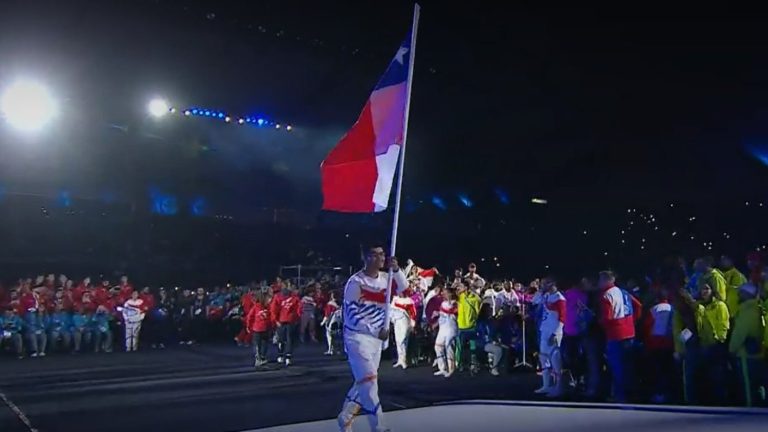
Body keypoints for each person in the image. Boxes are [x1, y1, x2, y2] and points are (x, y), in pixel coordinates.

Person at [337, 245, 406, 432]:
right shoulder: (355, 282)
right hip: (357, 338)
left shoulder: (386, 278)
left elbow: (405, 290)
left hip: (376, 341)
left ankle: (346, 417)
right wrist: (374, 331)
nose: (380, 258)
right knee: (369, 383)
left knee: (365, 382)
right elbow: (351, 314)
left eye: (382, 254)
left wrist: (397, 270)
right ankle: (379, 426)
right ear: (365, 257)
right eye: (374, 255)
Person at [598, 270, 642, 403]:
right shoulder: (624, 292)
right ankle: (632, 393)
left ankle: (620, 395)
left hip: (615, 334)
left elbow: (607, 317)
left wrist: (601, 324)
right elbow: (638, 306)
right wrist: (632, 321)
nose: (599, 283)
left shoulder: (606, 295)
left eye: (601, 280)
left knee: (617, 366)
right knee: (629, 365)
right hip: (630, 332)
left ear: (607, 280)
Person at [728, 283, 766, 407]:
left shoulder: (748, 310)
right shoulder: (757, 308)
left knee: (748, 386)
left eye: (741, 292)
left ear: (747, 294)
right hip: (758, 354)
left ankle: (750, 409)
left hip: (746, 355)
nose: (739, 294)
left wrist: (731, 348)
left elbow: (740, 333)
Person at [533, 276, 566, 397]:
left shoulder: (559, 298)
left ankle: (559, 387)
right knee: (544, 358)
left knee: (555, 360)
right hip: (544, 330)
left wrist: (555, 333)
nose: (543, 285)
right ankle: (546, 385)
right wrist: (540, 292)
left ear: (552, 284)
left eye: (545, 283)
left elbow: (563, 318)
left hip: (554, 332)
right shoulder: (546, 296)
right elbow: (534, 301)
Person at [698, 282, 730, 405]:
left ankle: (721, 401)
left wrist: (719, 340)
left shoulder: (720, 305)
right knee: (707, 375)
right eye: (702, 289)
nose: (704, 292)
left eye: (707, 289)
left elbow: (723, 324)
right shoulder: (700, 307)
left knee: (718, 375)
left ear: (713, 290)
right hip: (704, 345)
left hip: (717, 345)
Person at [642, 287, 674, 403]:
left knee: (657, 371)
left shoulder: (654, 309)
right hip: (669, 342)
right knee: (668, 370)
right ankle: (669, 394)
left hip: (655, 342)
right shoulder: (672, 308)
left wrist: (647, 342)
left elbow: (647, 326)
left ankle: (659, 394)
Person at [270, 283, 301, 366]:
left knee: (284, 339)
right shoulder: (293, 298)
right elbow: (299, 310)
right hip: (285, 321)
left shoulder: (293, 298)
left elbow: (273, 309)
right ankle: (285, 356)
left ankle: (283, 356)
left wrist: (275, 320)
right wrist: (276, 320)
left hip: (285, 321)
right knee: (286, 339)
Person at [456, 281, 482, 373]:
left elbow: (478, 311)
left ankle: (473, 364)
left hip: (471, 327)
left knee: (473, 348)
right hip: (461, 327)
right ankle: (459, 364)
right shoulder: (459, 297)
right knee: (460, 347)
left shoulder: (475, 298)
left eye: (460, 286)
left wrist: (474, 320)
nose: (458, 288)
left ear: (466, 287)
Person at [434, 287, 459, 377]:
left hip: (451, 329)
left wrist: (449, 302)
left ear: (450, 294)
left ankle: (451, 369)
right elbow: (442, 315)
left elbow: (452, 311)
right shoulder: (443, 303)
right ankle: (442, 368)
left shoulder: (456, 303)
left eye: (445, 293)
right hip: (442, 329)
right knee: (438, 347)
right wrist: (436, 323)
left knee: (449, 348)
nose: (443, 294)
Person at [390, 290, 417, 369]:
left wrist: (413, 324)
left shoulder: (409, 301)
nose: (399, 293)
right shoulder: (395, 299)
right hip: (397, 321)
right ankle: (400, 359)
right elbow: (391, 310)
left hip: (404, 321)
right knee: (397, 340)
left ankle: (404, 360)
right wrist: (392, 319)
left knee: (403, 340)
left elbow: (413, 313)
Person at [245, 290, 272, 367]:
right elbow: (250, 317)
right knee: (258, 344)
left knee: (264, 344)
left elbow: (271, 317)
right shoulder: (256, 307)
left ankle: (262, 358)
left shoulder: (268, 307)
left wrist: (272, 326)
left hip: (265, 328)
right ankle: (258, 358)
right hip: (257, 329)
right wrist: (248, 326)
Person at [476, 303, 503, 376]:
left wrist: (497, 339)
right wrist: (492, 341)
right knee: (498, 350)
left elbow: (494, 333)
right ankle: (494, 369)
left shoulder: (491, 321)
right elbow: (482, 335)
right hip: (483, 343)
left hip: (491, 341)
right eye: (489, 310)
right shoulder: (481, 322)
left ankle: (502, 368)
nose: (491, 311)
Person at [321, 291, 341, 355]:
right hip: (340, 321)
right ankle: (338, 350)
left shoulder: (330, 304)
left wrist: (323, 322)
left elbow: (327, 314)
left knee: (329, 336)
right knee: (338, 336)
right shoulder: (341, 304)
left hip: (332, 321)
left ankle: (330, 349)